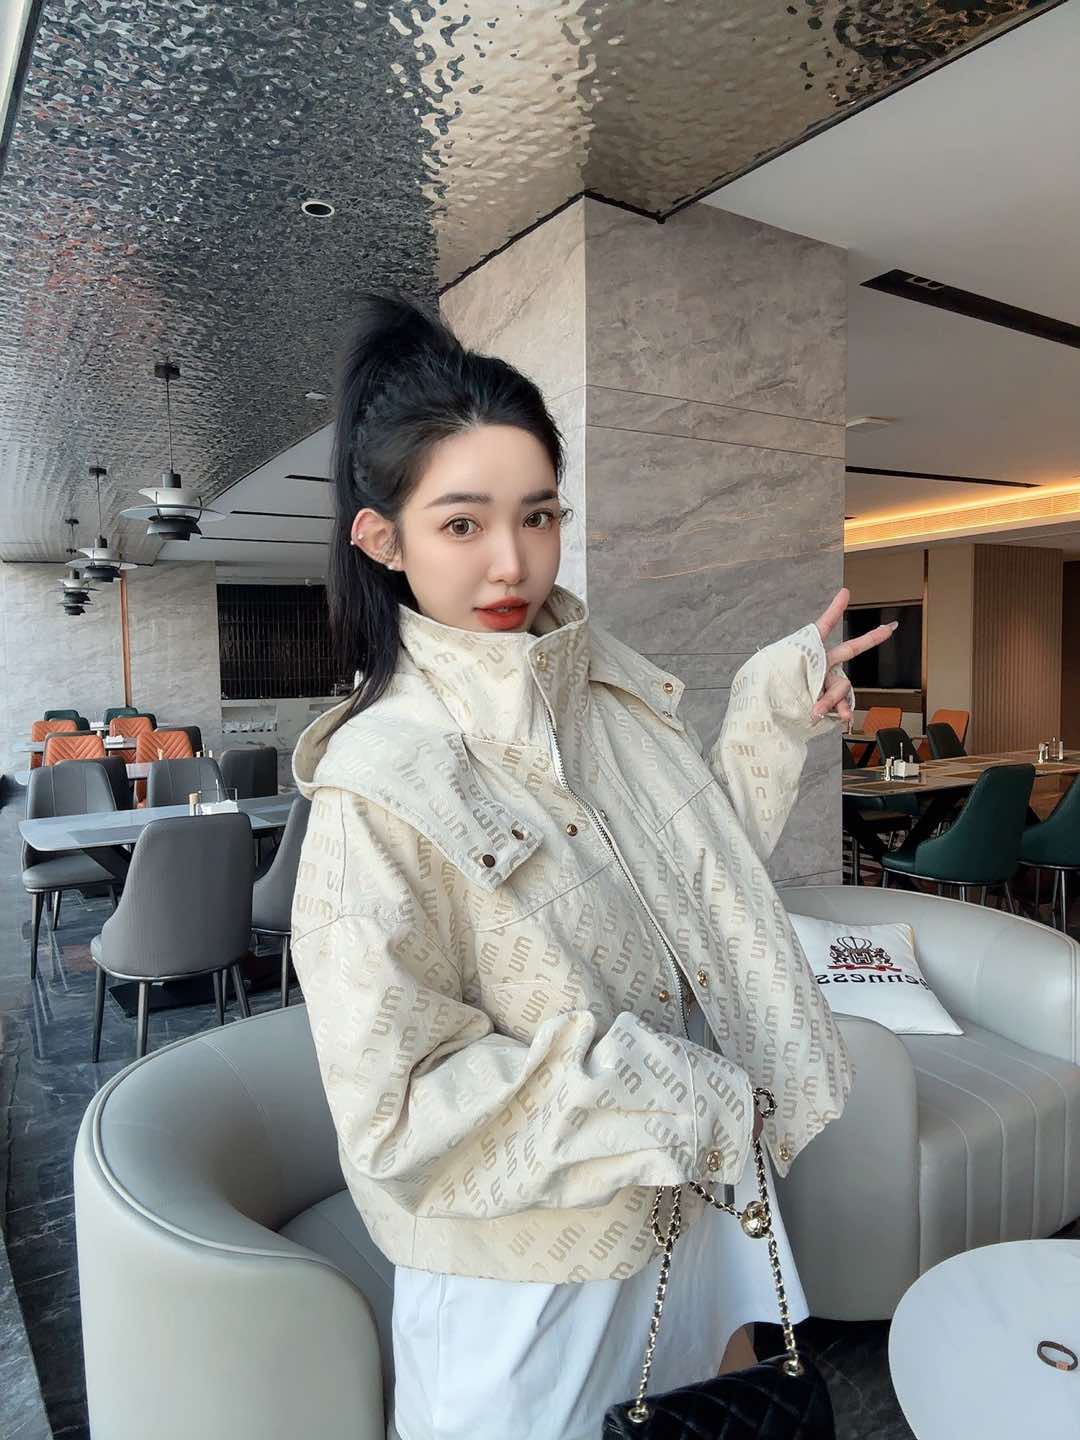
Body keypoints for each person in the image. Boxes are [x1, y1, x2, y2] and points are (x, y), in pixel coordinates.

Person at [291, 292, 896, 1440]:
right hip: (537, 1262)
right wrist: (662, 1094)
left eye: (539, 515)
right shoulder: (379, 783)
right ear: (383, 539)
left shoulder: (603, 687)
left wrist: (772, 709)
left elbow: (706, 880)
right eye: (462, 525)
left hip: (698, 1195)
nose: (510, 561)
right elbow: (397, 1111)